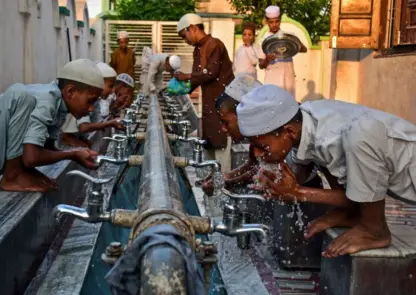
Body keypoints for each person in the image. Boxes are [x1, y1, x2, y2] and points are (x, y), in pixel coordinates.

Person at [236, 84, 416, 257]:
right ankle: (353, 215)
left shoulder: (336, 136)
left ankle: (374, 229)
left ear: (289, 131)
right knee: (327, 151)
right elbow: (348, 190)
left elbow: (363, 192)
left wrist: (297, 192)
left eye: (261, 146)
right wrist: (283, 185)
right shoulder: (307, 122)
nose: (258, 153)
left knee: (362, 133)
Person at [0, 59, 104, 192]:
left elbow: (45, 149)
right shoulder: (47, 100)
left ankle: (19, 173)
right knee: (20, 95)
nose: (91, 109)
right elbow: (31, 157)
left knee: (25, 103)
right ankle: (12, 176)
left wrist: (76, 154)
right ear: (70, 91)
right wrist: (73, 154)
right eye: (90, 101)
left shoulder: (60, 106)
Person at [174, 13, 235, 172]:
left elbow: (211, 73)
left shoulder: (215, 44)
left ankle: (224, 184)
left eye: (184, 35)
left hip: (223, 104)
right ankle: (211, 184)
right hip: (209, 105)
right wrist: (176, 90)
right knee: (208, 144)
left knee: (221, 143)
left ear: (193, 28)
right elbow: (196, 79)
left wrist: (186, 76)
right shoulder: (197, 50)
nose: (184, 40)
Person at [60, 62, 124, 148]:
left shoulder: (95, 102)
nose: (113, 90)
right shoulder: (78, 103)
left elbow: (97, 121)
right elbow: (83, 127)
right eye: (110, 86)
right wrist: (109, 124)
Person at [256, 6, 307, 96]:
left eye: (277, 21)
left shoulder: (288, 36)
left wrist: (294, 42)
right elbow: (261, 65)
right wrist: (267, 60)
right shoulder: (263, 41)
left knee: (288, 106)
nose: (274, 24)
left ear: (280, 20)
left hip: (288, 79)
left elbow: (304, 50)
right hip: (272, 80)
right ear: (267, 22)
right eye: (271, 22)